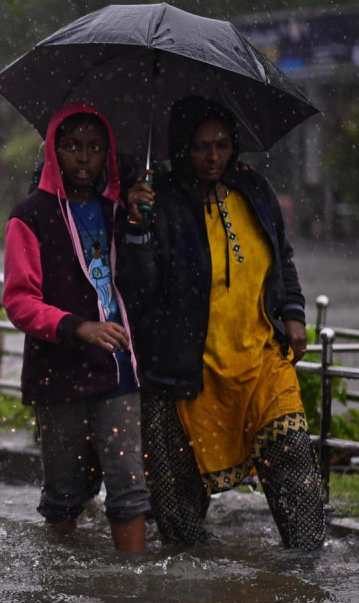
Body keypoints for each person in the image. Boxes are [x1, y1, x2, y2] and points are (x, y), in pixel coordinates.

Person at [127, 97, 326, 550]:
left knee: (293, 462)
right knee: (180, 521)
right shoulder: (160, 201)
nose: (213, 156)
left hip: (260, 361)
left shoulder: (254, 190)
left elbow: (282, 258)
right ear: (182, 148)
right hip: (186, 372)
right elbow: (140, 291)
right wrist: (136, 225)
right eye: (200, 146)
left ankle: (305, 575)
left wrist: (293, 313)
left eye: (221, 145)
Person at [2, 103, 153, 552]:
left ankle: (134, 587)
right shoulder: (29, 216)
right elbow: (18, 301)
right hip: (59, 372)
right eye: (71, 147)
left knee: (129, 489)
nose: (84, 158)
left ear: (108, 153)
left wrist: (140, 227)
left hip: (118, 371)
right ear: (53, 153)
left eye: (94, 148)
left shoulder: (118, 211)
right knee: (64, 493)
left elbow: (144, 285)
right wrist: (76, 327)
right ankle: (62, 585)